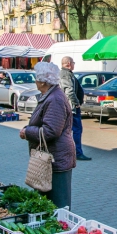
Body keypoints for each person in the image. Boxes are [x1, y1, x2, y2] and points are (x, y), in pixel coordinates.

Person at [19, 62, 75, 209]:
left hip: (56, 159)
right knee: (48, 203)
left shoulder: (54, 98)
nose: (35, 81)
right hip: (52, 157)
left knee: (59, 204)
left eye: (36, 78)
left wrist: (27, 131)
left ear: (43, 81)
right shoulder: (50, 95)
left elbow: (51, 131)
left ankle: (63, 230)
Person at [59, 56, 91, 161]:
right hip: (71, 108)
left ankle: (70, 152)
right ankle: (77, 152)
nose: (74, 64)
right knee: (76, 130)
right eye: (73, 62)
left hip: (69, 107)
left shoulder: (67, 74)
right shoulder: (66, 75)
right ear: (68, 63)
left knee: (70, 130)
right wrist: (76, 103)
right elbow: (69, 91)